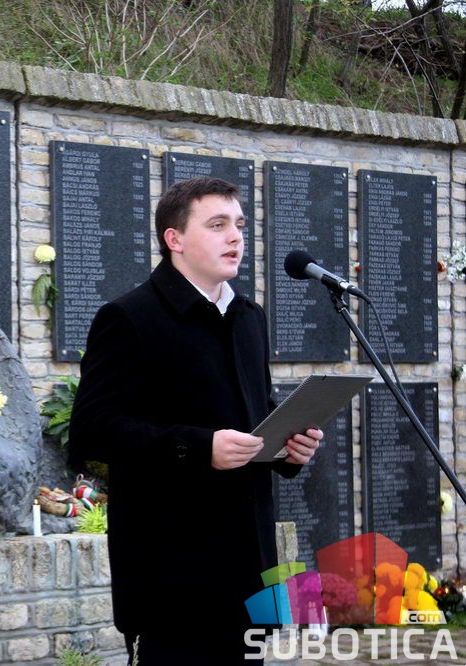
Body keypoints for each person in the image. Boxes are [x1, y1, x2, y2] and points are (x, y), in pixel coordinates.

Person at [69, 176, 323, 665]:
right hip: (174, 575)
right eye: (217, 225)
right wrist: (198, 446)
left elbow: (254, 412)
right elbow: (92, 432)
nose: (236, 237)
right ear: (175, 239)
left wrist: (288, 449)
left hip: (246, 567)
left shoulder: (249, 317)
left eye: (239, 225)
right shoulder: (129, 317)